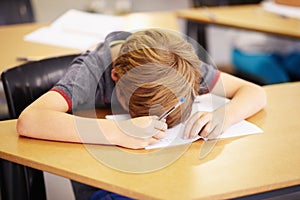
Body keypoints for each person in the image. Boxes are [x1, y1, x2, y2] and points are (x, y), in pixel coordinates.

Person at [16, 29, 266, 199]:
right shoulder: (92, 72)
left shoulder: (179, 65)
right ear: (116, 78)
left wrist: (225, 116)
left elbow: (254, 92)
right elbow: (30, 120)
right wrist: (118, 131)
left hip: (170, 176)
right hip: (103, 178)